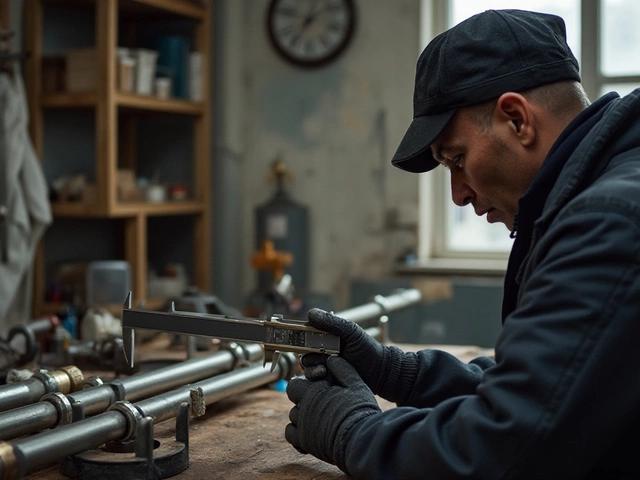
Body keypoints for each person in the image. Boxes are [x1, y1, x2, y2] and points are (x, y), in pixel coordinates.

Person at [284, 8, 640, 479]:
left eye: (456, 160)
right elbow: (552, 389)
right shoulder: (603, 191)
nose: (458, 194)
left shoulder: (608, 223)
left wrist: (352, 431)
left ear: (516, 119)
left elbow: (502, 449)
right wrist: (397, 372)